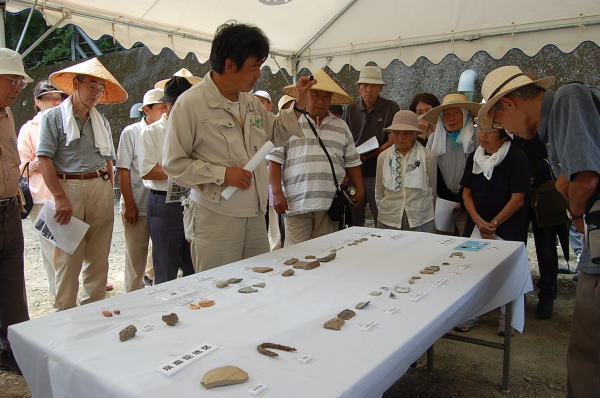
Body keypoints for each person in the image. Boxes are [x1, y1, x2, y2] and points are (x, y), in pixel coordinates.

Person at [478, 65, 600, 397]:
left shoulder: (567, 99)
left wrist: (575, 211)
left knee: (589, 350)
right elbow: (570, 177)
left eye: (501, 120)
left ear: (510, 102)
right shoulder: (557, 119)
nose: (507, 131)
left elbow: (585, 180)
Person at [163, 21, 315, 272]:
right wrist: (223, 174)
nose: (258, 74)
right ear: (230, 64)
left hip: (254, 215)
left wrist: (298, 105)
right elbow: (174, 163)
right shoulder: (191, 104)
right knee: (217, 289)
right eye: (254, 67)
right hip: (216, 215)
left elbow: (275, 134)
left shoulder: (249, 102)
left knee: (257, 284)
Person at [37, 57, 127, 310]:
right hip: (69, 187)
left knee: (99, 255)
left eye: (100, 90)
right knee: (67, 256)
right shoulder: (54, 117)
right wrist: (60, 197)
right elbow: (44, 159)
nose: (96, 94)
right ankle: (64, 311)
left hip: (99, 184)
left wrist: (108, 186)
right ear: (76, 84)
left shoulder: (102, 121)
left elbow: (108, 158)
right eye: (92, 87)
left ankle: (95, 308)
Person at [267, 70, 364, 246]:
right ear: (304, 95)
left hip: (329, 203)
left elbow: (352, 161)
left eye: (326, 97)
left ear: (331, 100)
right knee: (294, 256)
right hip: (295, 203)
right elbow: (274, 160)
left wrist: (359, 188)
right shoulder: (289, 122)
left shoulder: (341, 126)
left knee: (324, 254)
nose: (320, 101)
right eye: (315, 94)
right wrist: (276, 193)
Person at [140, 77, 195, 283]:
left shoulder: (194, 128)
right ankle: (165, 311)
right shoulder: (152, 132)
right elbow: (147, 170)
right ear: (165, 106)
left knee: (193, 263)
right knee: (165, 266)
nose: (183, 108)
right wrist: (182, 169)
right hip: (164, 202)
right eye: (177, 103)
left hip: (192, 198)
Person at [513, 133, 570, 319]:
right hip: (516, 194)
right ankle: (516, 295)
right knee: (516, 245)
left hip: (544, 192)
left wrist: (536, 172)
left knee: (545, 246)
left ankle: (547, 294)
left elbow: (559, 153)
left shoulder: (544, 123)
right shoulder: (508, 127)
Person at [0, 48, 32, 374]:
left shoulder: (7, 114)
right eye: (12, 80)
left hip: (9, 208)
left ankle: (14, 349)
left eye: (20, 82)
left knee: (13, 284)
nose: (17, 88)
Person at [17, 80, 65, 297]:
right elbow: (22, 165)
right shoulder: (29, 129)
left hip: (68, 190)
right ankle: (58, 294)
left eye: (58, 98)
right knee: (50, 248)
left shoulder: (67, 122)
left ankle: (71, 288)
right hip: (42, 195)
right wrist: (39, 162)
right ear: (38, 102)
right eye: (50, 98)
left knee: (73, 242)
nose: (56, 102)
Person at [117, 88, 166, 291]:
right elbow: (123, 170)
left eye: (166, 106)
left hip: (160, 204)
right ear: (146, 109)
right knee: (135, 256)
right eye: (160, 106)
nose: (165, 110)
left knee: (159, 257)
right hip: (137, 203)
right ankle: (132, 297)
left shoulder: (168, 130)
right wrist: (129, 204)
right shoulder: (131, 132)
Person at [343, 65, 399, 227]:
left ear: (380, 88)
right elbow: (345, 142)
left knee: (382, 218)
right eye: (365, 85)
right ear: (359, 87)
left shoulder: (391, 107)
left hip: (380, 172)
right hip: (354, 172)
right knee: (354, 219)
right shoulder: (350, 110)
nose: (369, 89)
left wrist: (369, 156)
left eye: (373, 85)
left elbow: (393, 139)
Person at [422, 93, 481, 236]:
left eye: (456, 114)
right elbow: (430, 171)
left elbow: (480, 170)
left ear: (466, 115)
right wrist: (447, 198)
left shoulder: (478, 137)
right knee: (443, 241)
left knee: (467, 242)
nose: (450, 119)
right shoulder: (434, 139)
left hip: (471, 201)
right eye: (446, 115)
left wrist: (462, 199)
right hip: (442, 202)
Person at [375, 110, 436, 232]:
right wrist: (386, 209)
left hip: (420, 218)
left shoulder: (428, 156)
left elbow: (432, 189)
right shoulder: (383, 157)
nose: (401, 138)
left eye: (406, 133)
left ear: (415, 134)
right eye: (396, 133)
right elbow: (379, 191)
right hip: (389, 218)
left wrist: (422, 210)